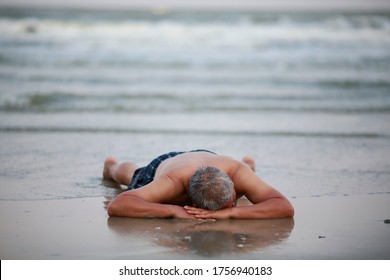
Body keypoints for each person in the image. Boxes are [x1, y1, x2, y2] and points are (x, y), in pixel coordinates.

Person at [103, 149, 294, 220]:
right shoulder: (171, 183)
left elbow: (284, 206)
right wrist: (173, 210)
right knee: (133, 175)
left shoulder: (235, 172)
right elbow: (118, 205)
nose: (234, 204)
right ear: (193, 204)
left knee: (246, 175)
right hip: (168, 165)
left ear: (233, 190)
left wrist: (232, 212)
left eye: (232, 201)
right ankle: (111, 166)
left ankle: (249, 166)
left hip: (211, 158)